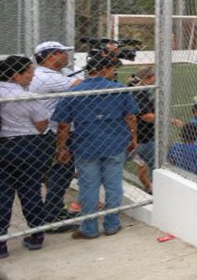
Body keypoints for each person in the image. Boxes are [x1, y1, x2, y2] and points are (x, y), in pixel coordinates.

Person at [52, 55, 138, 239]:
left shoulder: (74, 92)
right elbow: (130, 117)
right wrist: (133, 138)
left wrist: (62, 147)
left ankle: (89, 228)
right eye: (112, 69)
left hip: (86, 145)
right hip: (115, 144)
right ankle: (112, 224)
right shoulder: (118, 89)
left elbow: (63, 124)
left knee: (88, 187)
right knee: (113, 185)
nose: (113, 73)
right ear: (104, 70)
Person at [0, 55, 51, 257]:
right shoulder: (27, 96)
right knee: (30, 190)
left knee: (3, 195)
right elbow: (42, 124)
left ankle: (1, 242)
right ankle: (36, 235)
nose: (32, 76)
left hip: (3, 145)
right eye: (29, 72)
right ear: (15, 75)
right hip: (27, 145)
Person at [30, 41, 81, 231]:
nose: (67, 56)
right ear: (51, 56)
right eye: (62, 53)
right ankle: (51, 216)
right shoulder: (48, 77)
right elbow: (82, 86)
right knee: (62, 173)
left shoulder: (46, 73)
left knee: (55, 174)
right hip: (56, 133)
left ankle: (54, 210)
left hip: (49, 132)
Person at [127, 67, 159, 193]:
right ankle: (157, 191)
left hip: (134, 138)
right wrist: (168, 120)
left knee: (142, 165)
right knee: (157, 167)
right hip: (143, 139)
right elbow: (146, 116)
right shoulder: (140, 93)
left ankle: (149, 188)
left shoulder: (134, 88)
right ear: (149, 77)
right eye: (154, 76)